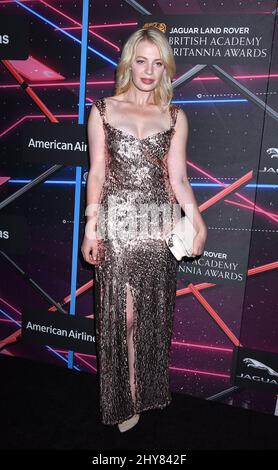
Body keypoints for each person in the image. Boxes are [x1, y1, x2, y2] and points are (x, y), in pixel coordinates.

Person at [81, 24, 207, 432]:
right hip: (117, 225)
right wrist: (91, 226)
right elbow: (97, 173)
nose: (149, 71)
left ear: (165, 68)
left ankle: (140, 391)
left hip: (158, 227)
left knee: (151, 317)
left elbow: (179, 178)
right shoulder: (102, 109)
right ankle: (122, 399)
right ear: (128, 63)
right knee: (122, 318)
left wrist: (197, 221)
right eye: (141, 61)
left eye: (157, 63)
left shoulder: (174, 116)